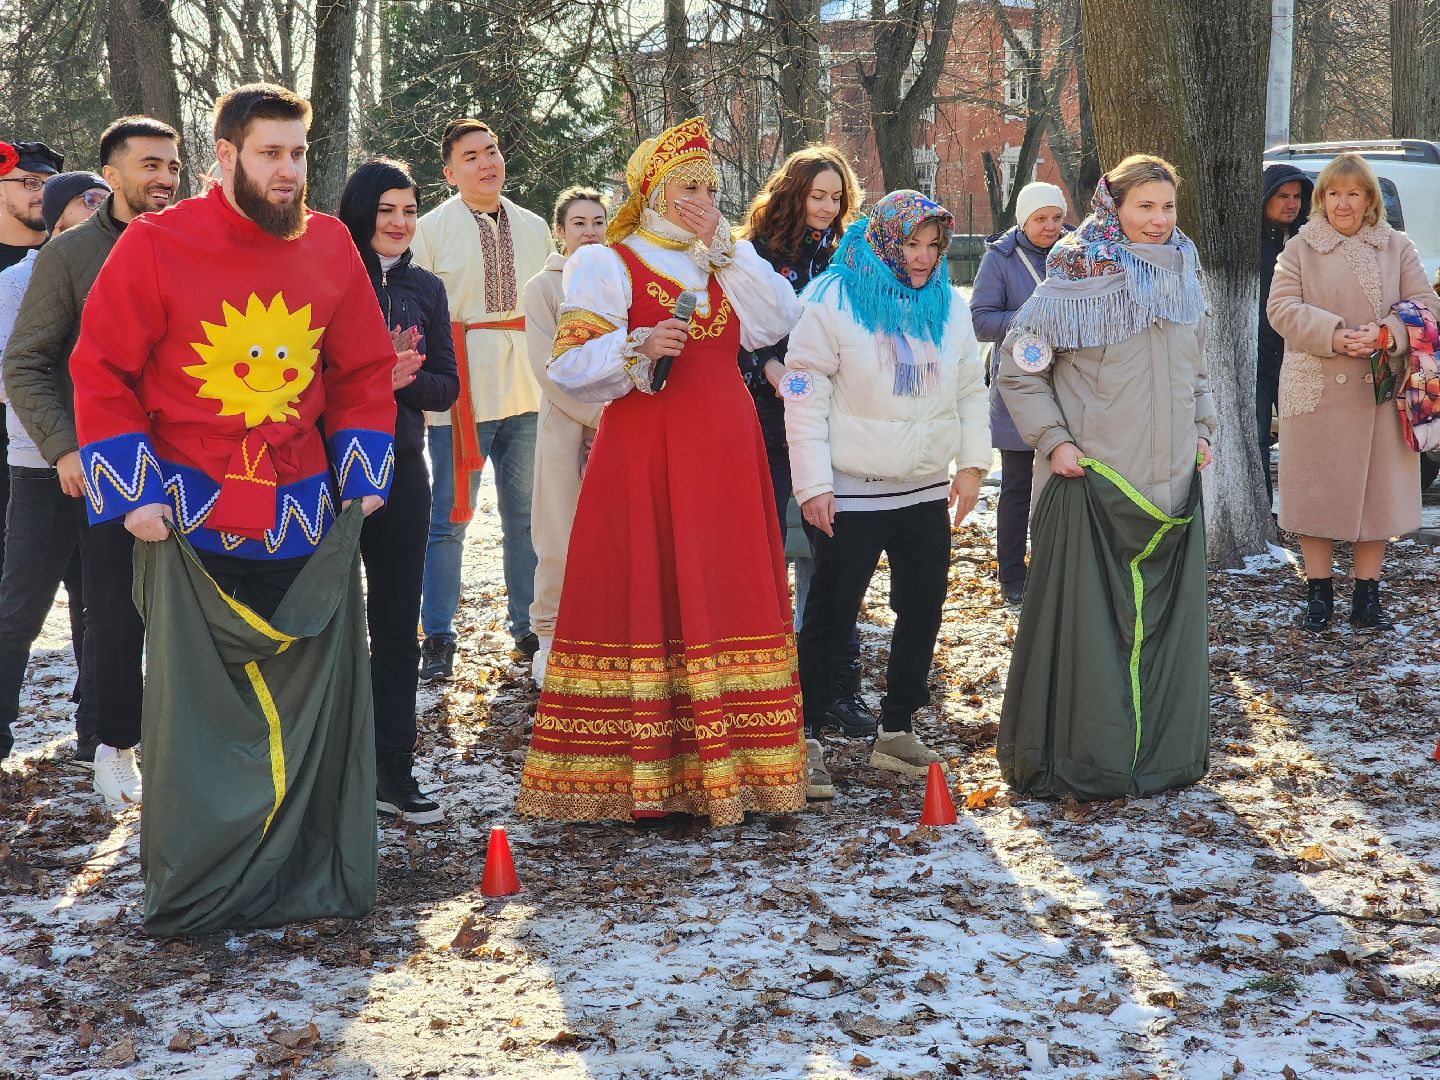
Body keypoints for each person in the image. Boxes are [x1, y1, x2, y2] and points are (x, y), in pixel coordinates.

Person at [68, 84, 395, 934]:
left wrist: (362, 465)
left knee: (302, 701)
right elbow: (101, 368)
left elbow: (361, 370)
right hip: (188, 516)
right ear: (226, 154)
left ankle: (298, 869)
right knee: (204, 717)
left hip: (302, 515)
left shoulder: (329, 244)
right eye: (269, 154)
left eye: (296, 154)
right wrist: (132, 493)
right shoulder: (156, 242)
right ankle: (212, 877)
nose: (288, 171)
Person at [515, 117, 807, 826]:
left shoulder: (722, 259)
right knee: (646, 588)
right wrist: (636, 345)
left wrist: (727, 250)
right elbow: (568, 366)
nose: (700, 197)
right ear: (651, 186)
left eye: (710, 185)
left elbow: (779, 319)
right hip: (645, 448)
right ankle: (639, 775)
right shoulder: (606, 261)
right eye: (686, 184)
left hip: (724, 448)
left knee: (724, 586)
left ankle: (738, 769)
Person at [997, 155, 1216, 801]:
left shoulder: (1185, 271)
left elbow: (1197, 368)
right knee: (1096, 634)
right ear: (1114, 206)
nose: (1158, 220)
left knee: (1162, 632)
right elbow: (1020, 366)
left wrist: (1203, 429)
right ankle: (1087, 758)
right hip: (1094, 482)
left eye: (1167, 207)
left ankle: (1161, 757)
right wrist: (1055, 442)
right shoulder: (1074, 268)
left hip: (1171, 483)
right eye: (1145, 206)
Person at [785, 191, 988, 796]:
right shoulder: (832, 298)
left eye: (934, 246)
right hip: (850, 491)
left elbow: (971, 388)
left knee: (922, 609)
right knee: (831, 614)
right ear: (882, 239)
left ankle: (897, 728)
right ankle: (806, 735)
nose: (923, 258)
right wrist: (814, 484)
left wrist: (973, 464)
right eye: (911, 244)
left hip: (924, 487)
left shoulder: (948, 306)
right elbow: (803, 394)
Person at [3, 117, 180, 780]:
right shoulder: (71, 257)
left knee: (161, 612)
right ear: (111, 177)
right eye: (148, 165)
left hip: (180, 467)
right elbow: (25, 362)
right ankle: (110, 743)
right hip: (83, 466)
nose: (163, 178)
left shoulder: (191, 246)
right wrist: (66, 448)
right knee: (92, 610)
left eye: (171, 165)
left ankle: (149, 740)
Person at [736, 146, 876, 743]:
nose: (826, 206)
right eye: (817, 195)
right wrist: (769, 368)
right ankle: (758, 678)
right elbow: (739, 329)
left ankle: (834, 683)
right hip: (768, 418)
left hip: (833, 420)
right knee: (763, 539)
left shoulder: (853, 254)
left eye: (836, 196)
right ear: (793, 194)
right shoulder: (757, 253)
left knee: (834, 548)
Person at [1266, 152, 1439, 632]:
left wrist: (1386, 333)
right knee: (1315, 494)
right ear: (1321, 199)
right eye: (1334, 194)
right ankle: (1317, 593)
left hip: (1380, 386)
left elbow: (1426, 305)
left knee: (1376, 496)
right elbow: (1280, 307)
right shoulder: (1301, 246)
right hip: (1316, 387)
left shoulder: (1396, 247)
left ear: (1370, 201)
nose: (1344, 204)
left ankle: (1367, 596)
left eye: (1354, 194)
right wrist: (1335, 334)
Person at [339, 158, 460, 823]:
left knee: (395, 627)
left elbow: (445, 385)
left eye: (410, 210)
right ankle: (326, 768)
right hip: (326, 473)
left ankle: (394, 770)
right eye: (387, 209)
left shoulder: (427, 289)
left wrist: (400, 381)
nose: (399, 222)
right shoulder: (326, 275)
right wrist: (368, 381)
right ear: (360, 210)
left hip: (402, 469)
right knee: (324, 626)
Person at [412, 119, 554, 680]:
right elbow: (423, 315)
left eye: (491, 150)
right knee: (449, 520)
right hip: (460, 397)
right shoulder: (429, 230)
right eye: (470, 156)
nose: (486, 162)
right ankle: (439, 633)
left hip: (527, 388)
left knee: (526, 518)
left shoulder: (537, 225)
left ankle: (529, 625)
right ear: (450, 173)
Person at [0, 171, 107, 760]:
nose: (99, 208)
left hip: (110, 469)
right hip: (39, 466)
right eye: (86, 200)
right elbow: (10, 372)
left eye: (103, 198)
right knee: (20, 609)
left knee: (102, 610)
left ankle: (97, 735)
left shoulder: (119, 274)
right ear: (60, 215)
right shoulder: (16, 283)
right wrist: (60, 436)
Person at [522, 186, 606, 685]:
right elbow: (546, 367)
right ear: (560, 230)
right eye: (579, 223)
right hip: (565, 425)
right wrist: (599, 418)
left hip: (620, 423)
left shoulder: (619, 280)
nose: (590, 232)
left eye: (598, 221)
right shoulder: (543, 289)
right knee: (558, 533)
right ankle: (550, 639)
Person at [971, 181, 1070, 604]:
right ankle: (1011, 573)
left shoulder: (1077, 253)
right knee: (1016, 485)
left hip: (1067, 382)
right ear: (1023, 221)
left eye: (1056, 217)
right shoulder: (1000, 259)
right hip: (1017, 384)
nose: (1050, 227)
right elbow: (981, 320)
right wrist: (1032, 322)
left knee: (1063, 482)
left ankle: (1055, 566)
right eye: (1040, 219)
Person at [0, 140, 64, 575]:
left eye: (49, 183)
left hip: (54, 442)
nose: (41, 191)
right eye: (28, 182)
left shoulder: (68, 257)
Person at [1257, 164, 1312, 510]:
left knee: (1304, 440)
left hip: (1299, 357)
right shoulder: (1248, 243)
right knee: (1258, 437)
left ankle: (1307, 516)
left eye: (1297, 197)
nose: (1290, 204)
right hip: (1259, 358)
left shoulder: (1309, 242)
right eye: (1282, 196)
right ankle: (1263, 514)